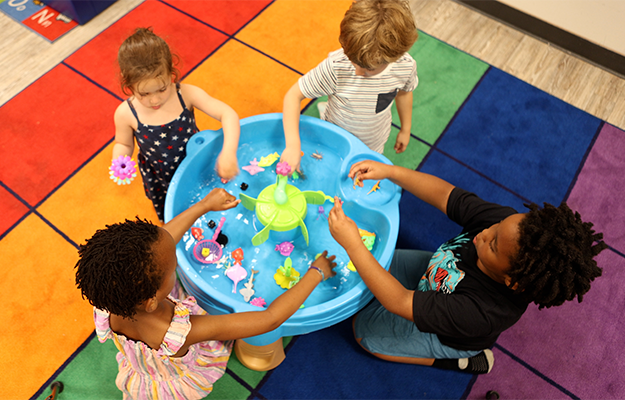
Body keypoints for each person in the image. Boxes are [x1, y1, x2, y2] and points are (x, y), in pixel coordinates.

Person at [327, 160, 606, 374]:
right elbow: (445, 194)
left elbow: (399, 301)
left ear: (512, 280)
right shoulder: (506, 227)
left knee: (364, 333)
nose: (484, 233)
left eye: (493, 245)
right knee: (376, 261)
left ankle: (457, 360)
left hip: (446, 334)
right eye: (496, 226)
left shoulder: (482, 311)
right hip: (435, 277)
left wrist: (353, 245)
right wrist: (392, 171)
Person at [75, 188, 337, 399]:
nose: (176, 265)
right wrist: (316, 272)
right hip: (176, 382)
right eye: (172, 269)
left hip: (142, 367)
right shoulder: (181, 331)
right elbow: (270, 319)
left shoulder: (107, 299)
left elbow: (164, 239)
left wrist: (204, 205)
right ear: (151, 301)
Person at [111, 27, 240, 221]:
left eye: (162, 89)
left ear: (171, 74)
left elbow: (227, 113)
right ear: (128, 87)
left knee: (205, 202)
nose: (154, 100)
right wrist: (120, 162)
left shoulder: (185, 94)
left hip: (196, 162)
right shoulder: (126, 113)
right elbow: (124, 144)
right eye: (144, 94)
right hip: (162, 178)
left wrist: (228, 152)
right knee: (173, 212)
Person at [281, 0, 419, 173]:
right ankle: (328, 109)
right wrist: (293, 145)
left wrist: (406, 129)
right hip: (333, 140)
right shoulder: (337, 67)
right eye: (353, 61)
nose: (358, 72)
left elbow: (404, 93)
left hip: (373, 142)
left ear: (393, 56)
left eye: (368, 68)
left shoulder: (405, 66)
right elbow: (293, 96)